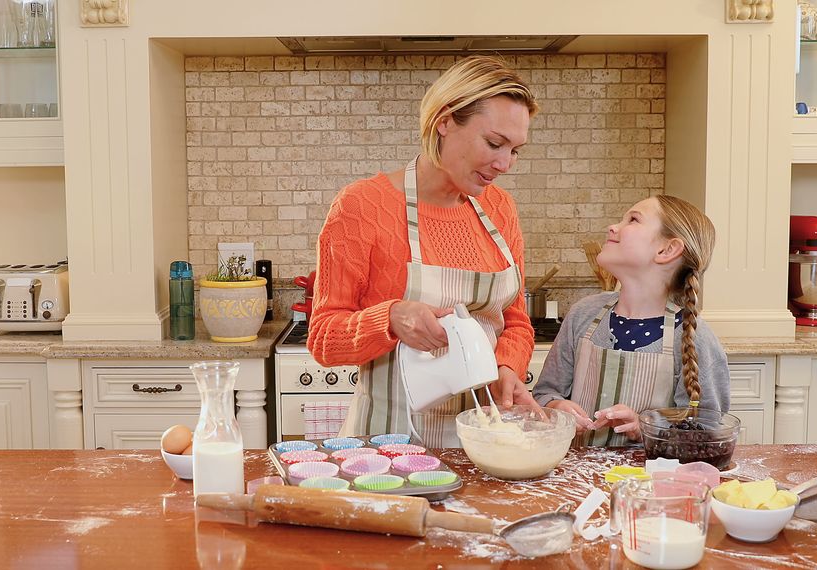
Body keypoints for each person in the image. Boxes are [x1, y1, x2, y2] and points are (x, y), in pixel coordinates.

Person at [307, 56, 540, 447]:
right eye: (495, 143)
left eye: (515, 150)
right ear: (445, 121)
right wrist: (393, 317)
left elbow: (516, 320)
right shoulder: (362, 206)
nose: (505, 164)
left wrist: (506, 368)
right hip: (386, 446)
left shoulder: (500, 209)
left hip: (483, 439)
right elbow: (323, 338)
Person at [532, 195, 730, 447]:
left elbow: (706, 435)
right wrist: (556, 407)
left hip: (649, 483)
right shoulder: (583, 314)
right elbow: (543, 394)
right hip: (574, 479)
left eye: (633, 220)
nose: (613, 227)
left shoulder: (694, 337)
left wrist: (645, 427)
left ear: (667, 250)